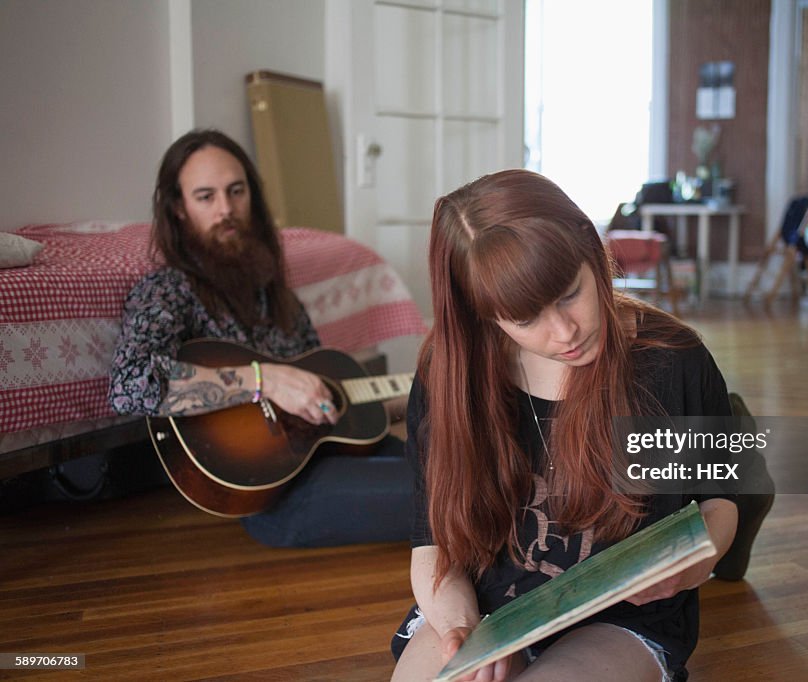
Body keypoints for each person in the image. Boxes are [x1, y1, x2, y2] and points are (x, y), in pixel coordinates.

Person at [390, 169, 740, 682]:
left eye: (570, 293)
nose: (565, 331)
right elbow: (434, 544)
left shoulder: (673, 362)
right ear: (485, 316)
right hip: (492, 609)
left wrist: (695, 558)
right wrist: (463, 631)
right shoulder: (448, 378)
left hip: (624, 618)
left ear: (592, 250)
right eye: (526, 319)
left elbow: (721, 501)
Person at [108, 129, 412, 547]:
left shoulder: (276, 294)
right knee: (451, 497)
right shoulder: (167, 290)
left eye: (236, 191)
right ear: (178, 208)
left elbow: (327, 394)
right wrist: (263, 380)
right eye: (205, 197)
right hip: (276, 497)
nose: (226, 209)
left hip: (332, 456)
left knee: (467, 476)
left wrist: (416, 394)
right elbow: (130, 385)